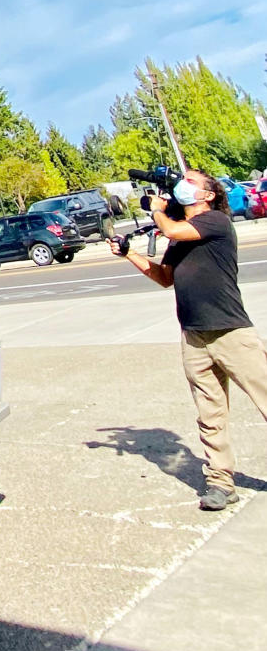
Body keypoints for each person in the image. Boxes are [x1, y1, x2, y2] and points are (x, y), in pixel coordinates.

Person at [111, 169, 267, 511]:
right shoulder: (180, 236)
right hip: (194, 335)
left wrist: (157, 209)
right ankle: (220, 483)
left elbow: (169, 226)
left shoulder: (215, 221)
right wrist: (129, 254)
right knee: (210, 415)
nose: (184, 183)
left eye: (191, 181)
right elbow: (165, 277)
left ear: (209, 194)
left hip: (231, 332)